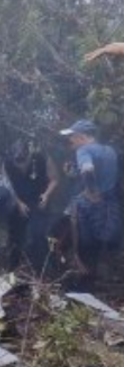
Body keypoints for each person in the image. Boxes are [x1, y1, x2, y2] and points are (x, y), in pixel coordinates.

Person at [61, 119, 120, 289]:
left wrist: (92, 191)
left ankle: (85, 283)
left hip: (90, 205)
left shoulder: (83, 150)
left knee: (85, 243)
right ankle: (105, 281)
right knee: (106, 241)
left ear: (81, 136)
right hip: (110, 204)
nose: (70, 140)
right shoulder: (110, 151)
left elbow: (87, 169)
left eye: (72, 136)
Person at [2, 140, 60, 271]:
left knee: (38, 233)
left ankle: (40, 271)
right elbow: (7, 184)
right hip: (18, 200)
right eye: (17, 163)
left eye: (23, 162)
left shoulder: (42, 158)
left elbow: (55, 179)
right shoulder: (7, 162)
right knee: (15, 235)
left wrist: (46, 195)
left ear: (29, 156)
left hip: (39, 200)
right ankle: (12, 269)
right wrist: (18, 203)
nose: (20, 166)